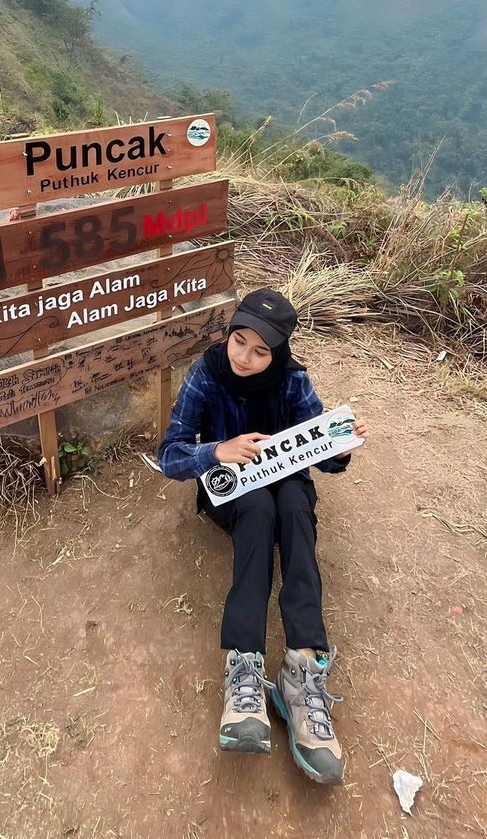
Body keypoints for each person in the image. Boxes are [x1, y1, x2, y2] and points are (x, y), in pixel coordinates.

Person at [157, 288, 367, 786]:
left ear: (280, 351)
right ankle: (244, 666)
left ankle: (303, 669)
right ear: (229, 333)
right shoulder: (205, 374)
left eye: (261, 350)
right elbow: (170, 455)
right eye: (239, 341)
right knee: (256, 510)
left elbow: (331, 463)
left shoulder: (292, 381)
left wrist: (342, 440)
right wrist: (217, 451)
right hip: (230, 489)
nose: (245, 358)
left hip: (285, 479)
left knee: (293, 506)